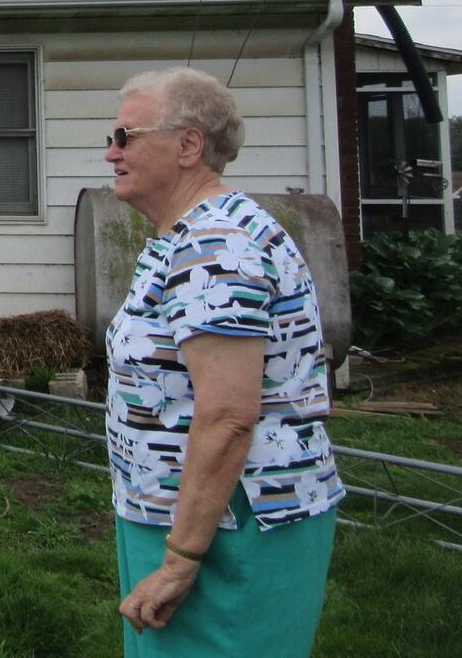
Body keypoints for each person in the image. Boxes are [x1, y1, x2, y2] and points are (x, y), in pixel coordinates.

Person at [103, 67, 343, 657]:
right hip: (192, 514)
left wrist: (182, 559)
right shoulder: (189, 237)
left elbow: (230, 414)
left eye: (125, 136)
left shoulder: (217, 245)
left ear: (188, 145)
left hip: (230, 527)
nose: (111, 153)